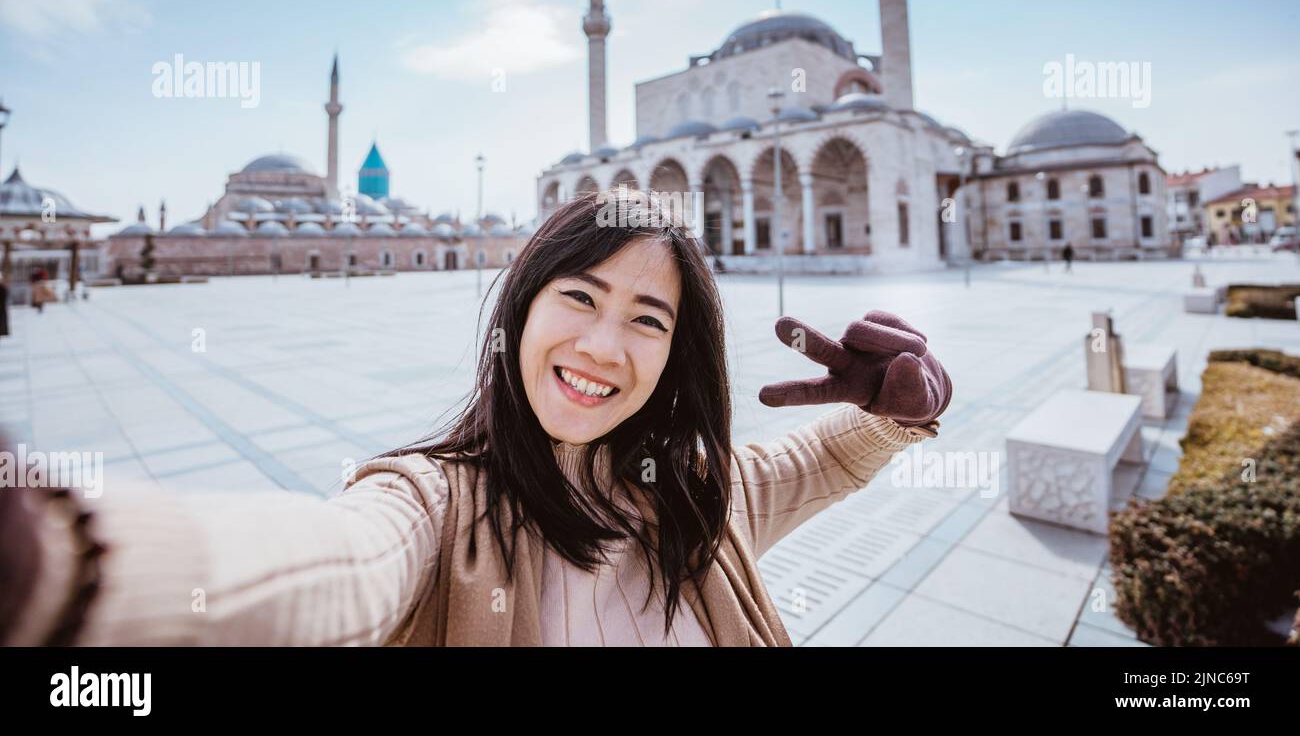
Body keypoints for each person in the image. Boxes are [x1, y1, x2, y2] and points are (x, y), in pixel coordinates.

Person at [0, 188, 951, 647]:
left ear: (674, 360)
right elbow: (334, 568)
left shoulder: (695, 496)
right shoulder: (435, 510)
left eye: (647, 320)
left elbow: (820, 460)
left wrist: (891, 409)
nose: (603, 348)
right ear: (521, 309)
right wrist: (70, 561)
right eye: (578, 298)